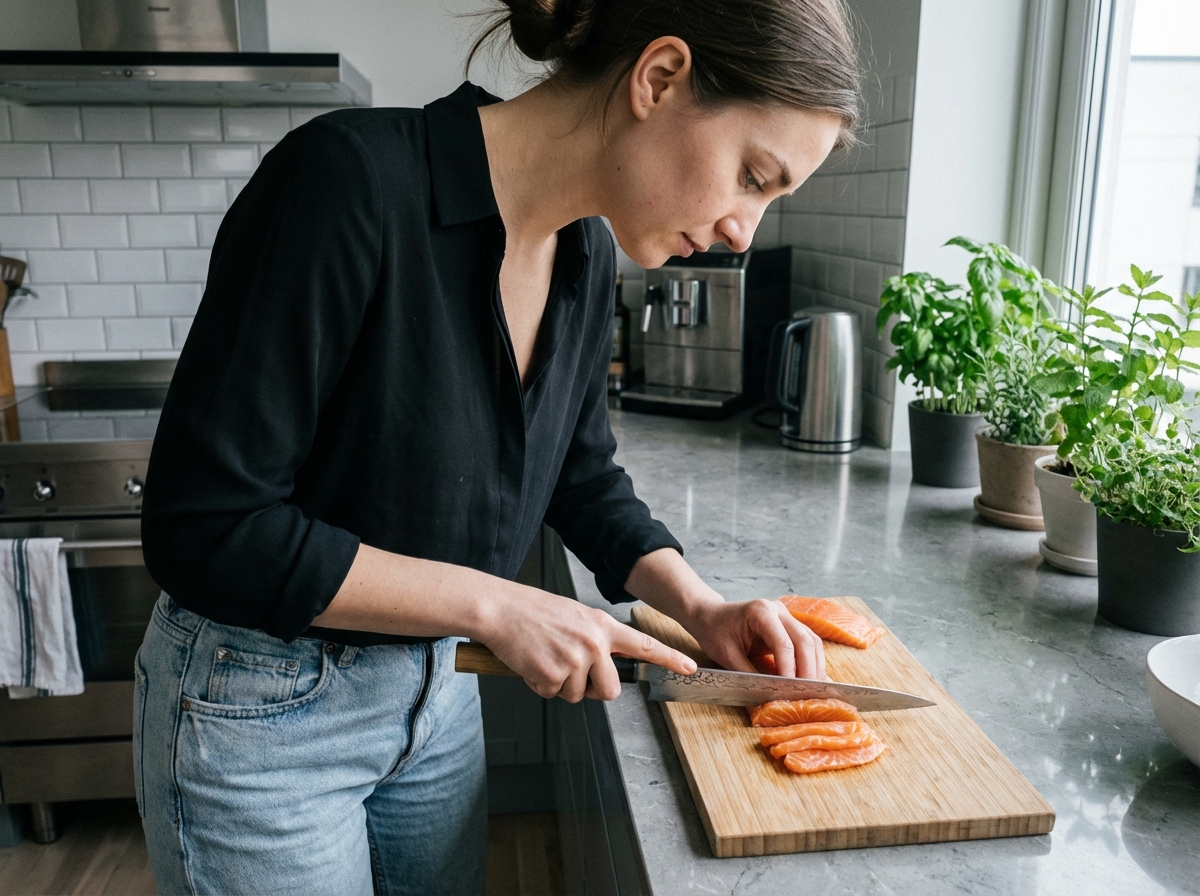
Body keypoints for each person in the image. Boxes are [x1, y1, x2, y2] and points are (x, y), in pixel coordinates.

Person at [133, 0, 861, 892]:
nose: (744, 231)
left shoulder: (586, 254)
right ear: (659, 78)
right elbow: (204, 526)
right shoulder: (346, 181)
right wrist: (496, 606)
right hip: (259, 714)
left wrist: (699, 608)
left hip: (436, 693)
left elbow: (580, 474)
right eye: (753, 175)